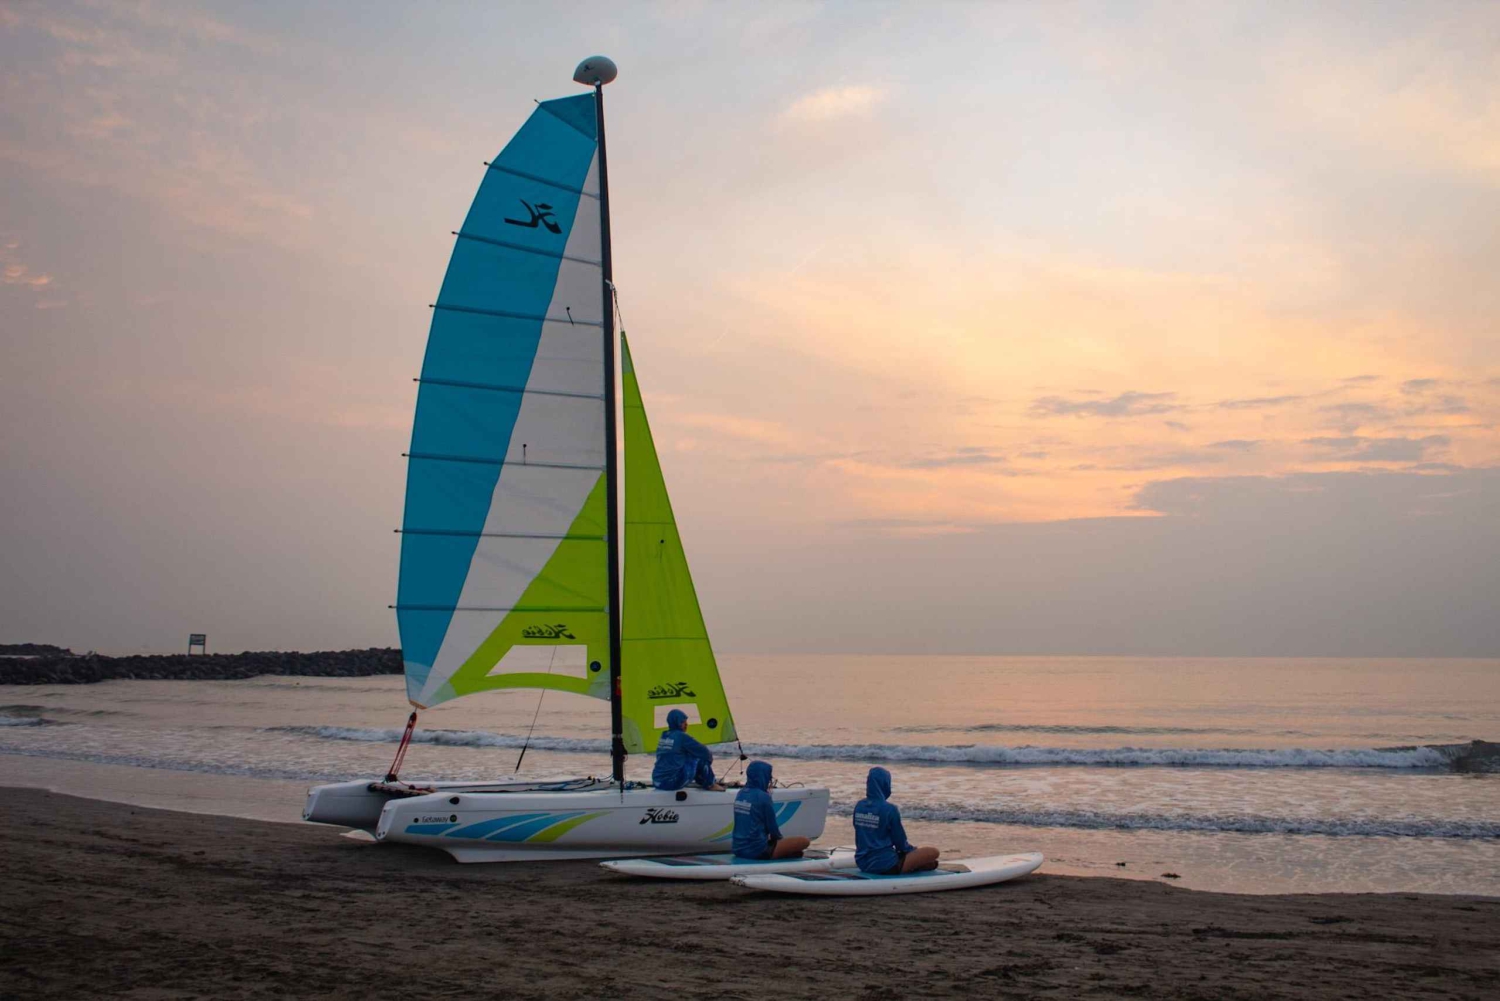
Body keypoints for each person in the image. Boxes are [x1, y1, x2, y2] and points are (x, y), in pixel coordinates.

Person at [852, 766, 940, 874]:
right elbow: (901, 844)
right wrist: (913, 852)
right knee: (933, 853)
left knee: (929, 863)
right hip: (886, 864)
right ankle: (910, 866)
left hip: (862, 863)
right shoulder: (890, 809)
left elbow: (861, 835)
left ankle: (914, 865)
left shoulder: (859, 806)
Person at [732, 760, 811, 860]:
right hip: (757, 851)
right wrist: (780, 843)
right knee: (804, 841)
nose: (770, 779)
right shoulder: (763, 797)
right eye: (769, 776)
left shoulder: (741, 793)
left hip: (737, 849)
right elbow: (773, 830)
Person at [651, 709, 725, 791]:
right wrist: (706, 765)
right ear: (677, 722)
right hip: (671, 783)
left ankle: (702, 781)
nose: (686, 725)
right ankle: (710, 784)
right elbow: (705, 753)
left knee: (685, 755)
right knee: (699, 758)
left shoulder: (664, 735)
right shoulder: (681, 736)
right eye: (683, 722)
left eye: (686, 722)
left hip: (657, 781)